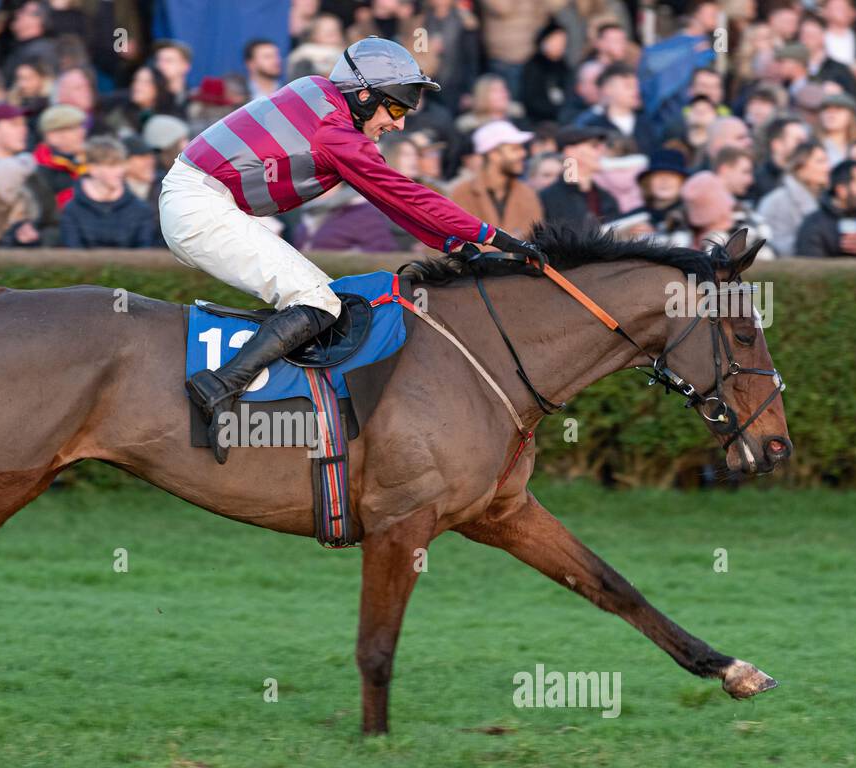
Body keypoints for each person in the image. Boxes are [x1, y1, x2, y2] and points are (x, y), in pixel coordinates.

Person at [161, 36, 535, 464]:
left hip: (199, 199)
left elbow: (387, 198)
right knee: (318, 301)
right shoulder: (335, 133)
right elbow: (405, 193)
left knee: (321, 298)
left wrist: (455, 244)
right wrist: (492, 235)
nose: (399, 124)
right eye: (395, 108)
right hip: (199, 206)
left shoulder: (321, 97)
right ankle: (219, 388)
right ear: (362, 95)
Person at [58, 135, 160, 249]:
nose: (120, 171)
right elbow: (72, 255)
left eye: (121, 164)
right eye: (112, 165)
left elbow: (145, 255)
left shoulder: (141, 210)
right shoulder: (72, 211)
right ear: (92, 168)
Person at [448, 120, 543, 242]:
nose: (523, 153)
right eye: (515, 149)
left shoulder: (528, 194)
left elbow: (536, 240)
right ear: (494, 154)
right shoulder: (462, 193)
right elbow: (458, 243)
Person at [539, 126, 619, 230]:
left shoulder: (606, 196)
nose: (603, 150)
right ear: (570, 152)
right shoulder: (548, 198)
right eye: (594, 146)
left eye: (603, 145)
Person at [757, 140, 829, 256]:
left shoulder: (824, 200)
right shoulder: (777, 201)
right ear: (800, 167)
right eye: (820, 161)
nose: (827, 168)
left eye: (827, 161)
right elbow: (772, 247)